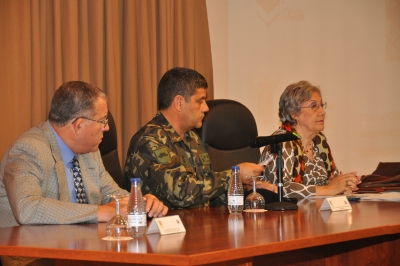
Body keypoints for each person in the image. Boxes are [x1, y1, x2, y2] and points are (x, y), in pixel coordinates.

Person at [0, 81, 168, 265]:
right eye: (103, 121)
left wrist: (140, 203)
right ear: (78, 125)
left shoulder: (90, 152)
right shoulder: (29, 149)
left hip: (83, 251)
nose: (107, 128)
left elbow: (111, 194)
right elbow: (27, 208)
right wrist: (99, 213)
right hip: (32, 255)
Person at [124, 67, 272, 210]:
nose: (206, 108)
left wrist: (245, 189)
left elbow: (205, 192)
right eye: (200, 101)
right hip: (160, 231)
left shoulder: (192, 138)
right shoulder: (148, 141)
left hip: (199, 226)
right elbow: (181, 193)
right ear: (179, 102)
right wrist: (234, 175)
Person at [260, 80, 361, 198]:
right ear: (294, 113)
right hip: (286, 215)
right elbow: (280, 188)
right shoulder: (281, 142)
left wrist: (345, 182)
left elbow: (332, 180)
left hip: (316, 212)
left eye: (321, 105)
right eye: (314, 106)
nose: (322, 111)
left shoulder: (319, 141)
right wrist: (328, 189)